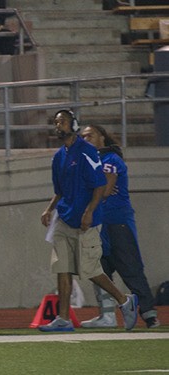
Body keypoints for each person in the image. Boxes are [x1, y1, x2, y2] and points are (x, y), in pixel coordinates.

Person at [39, 110, 138, 332]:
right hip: (65, 217)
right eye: (56, 122)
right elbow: (60, 190)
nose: (58, 126)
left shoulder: (87, 152)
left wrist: (89, 212)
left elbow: (100, 185)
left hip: (86, 219)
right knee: (62, 268)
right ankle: (63, 318)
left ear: (73, 124)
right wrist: (49, 209)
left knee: (90, 269)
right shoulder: (58, 156)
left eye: (62, 121)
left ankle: (124, 300)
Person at [81, 125, 160, 329]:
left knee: (130, 268)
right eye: (83, 136)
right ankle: (107, 316)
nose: (86, 138)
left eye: (90, 135)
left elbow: (105, 191)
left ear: (102, 138)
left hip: (117, 222)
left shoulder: (110, 159)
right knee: (99, 271)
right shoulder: (88, 162)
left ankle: (149, 315)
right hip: (99, 224)